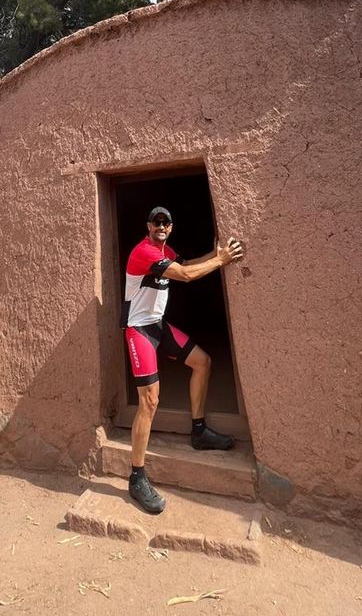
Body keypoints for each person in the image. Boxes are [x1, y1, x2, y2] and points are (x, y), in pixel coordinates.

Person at [121, 206, 245, 514]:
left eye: (166, 221)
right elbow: (187, 275)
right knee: (150, 401)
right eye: (156, 221)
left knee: (202, 362)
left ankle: (199, 431)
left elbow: (186, 263)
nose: (161, 225)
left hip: (158, 327)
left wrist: (213, 254)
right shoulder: (144, 252)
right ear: (148, 225)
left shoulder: (167, 250)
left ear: (171, 227)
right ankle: (136, 477)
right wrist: (222, 259)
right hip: (139, 332)